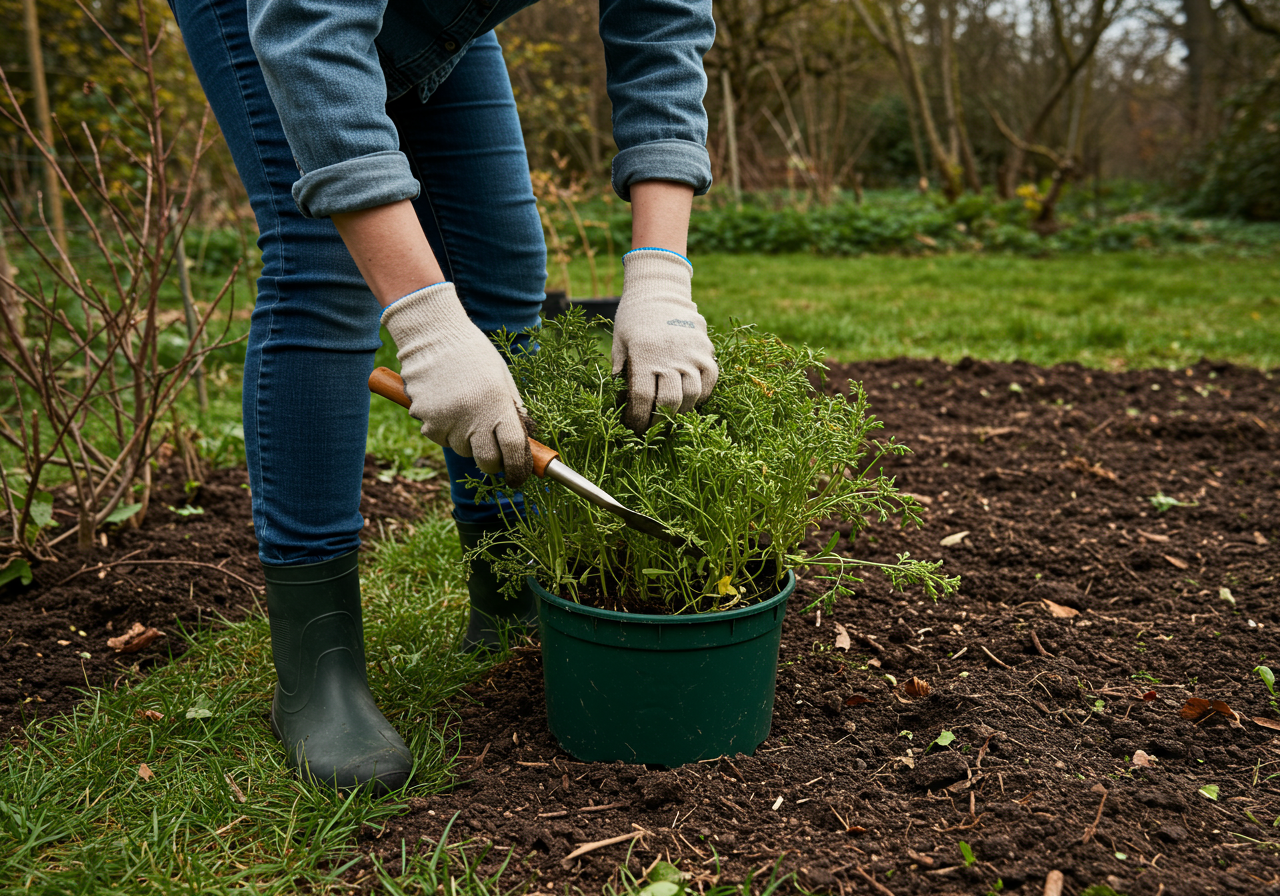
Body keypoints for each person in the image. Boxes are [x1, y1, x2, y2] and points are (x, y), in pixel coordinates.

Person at [166, 0, 720, 793]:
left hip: (440, 14)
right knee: (323, 265)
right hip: (284, 12)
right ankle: (318, 670)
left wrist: (661, 269)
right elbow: (311, 33)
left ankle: (505, 595)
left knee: (500, 261)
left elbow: (661, 26)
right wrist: (425, 321)